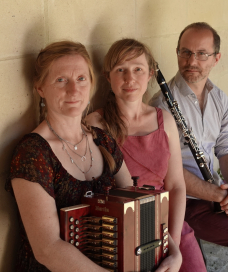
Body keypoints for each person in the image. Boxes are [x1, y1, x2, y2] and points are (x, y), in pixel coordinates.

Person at [150, 22, 228, 272]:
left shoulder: (219, 98)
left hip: (216, 189)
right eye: (185, 52)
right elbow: (169, 172)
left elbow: (227, 146)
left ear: (216, 58)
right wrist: (219, 195)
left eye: (201, 53)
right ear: (177, 53)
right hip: (183, 201)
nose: (191, 61)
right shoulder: (161, 107)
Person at [5, 41, 133, 271]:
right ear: (40, 88)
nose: (74, 90)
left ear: (92, 83)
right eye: (61, 80)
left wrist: (172, 253)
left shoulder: (103, 140)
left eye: (81, 79)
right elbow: (48, 249)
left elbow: (137, 202)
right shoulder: (33, 153)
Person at [86, 38, 207, 272]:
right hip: (121, 228)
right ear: (107, 75)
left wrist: (172, 243)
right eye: (120, 69)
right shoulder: (96, 124)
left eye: (138, 70)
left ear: (150, 74)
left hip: (168, 225)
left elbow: (176, 186)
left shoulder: (165, 120)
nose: (130, 78)